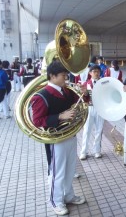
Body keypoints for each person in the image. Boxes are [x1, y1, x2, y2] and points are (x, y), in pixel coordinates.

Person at [30, 61, 86, 215]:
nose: (66, 78)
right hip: (56, 140)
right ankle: (55, 201)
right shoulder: (42, 95)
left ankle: (68, 195)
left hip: (70, 135)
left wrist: (84, 93)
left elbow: (81, 103)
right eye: (63, 75)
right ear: (52, 76)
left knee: (69, 169)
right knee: (57, 172)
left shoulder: (66, 91)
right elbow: (37, 121)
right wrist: (60, 116)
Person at [79, 65, 104, 160]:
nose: (96, 73)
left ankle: (97, 150)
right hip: (89, 108)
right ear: (90, 73)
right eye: (94, 71)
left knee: (99, 130)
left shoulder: (103, 83)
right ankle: (83, 152)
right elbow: (83, 98)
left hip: (100, 109)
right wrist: (84, 94)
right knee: (87, 130)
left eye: (98, 71)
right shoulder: (86, 83)